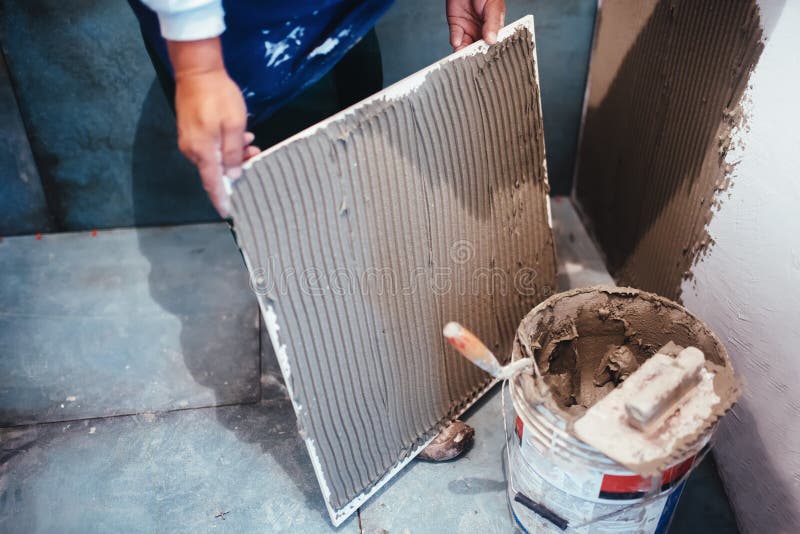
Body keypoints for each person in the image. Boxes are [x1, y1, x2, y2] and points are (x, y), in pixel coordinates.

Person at [129, 0, 506, 216]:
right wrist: (198, 61)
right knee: (293, 213)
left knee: (357, 174)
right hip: (245, 38)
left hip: (342, 13)